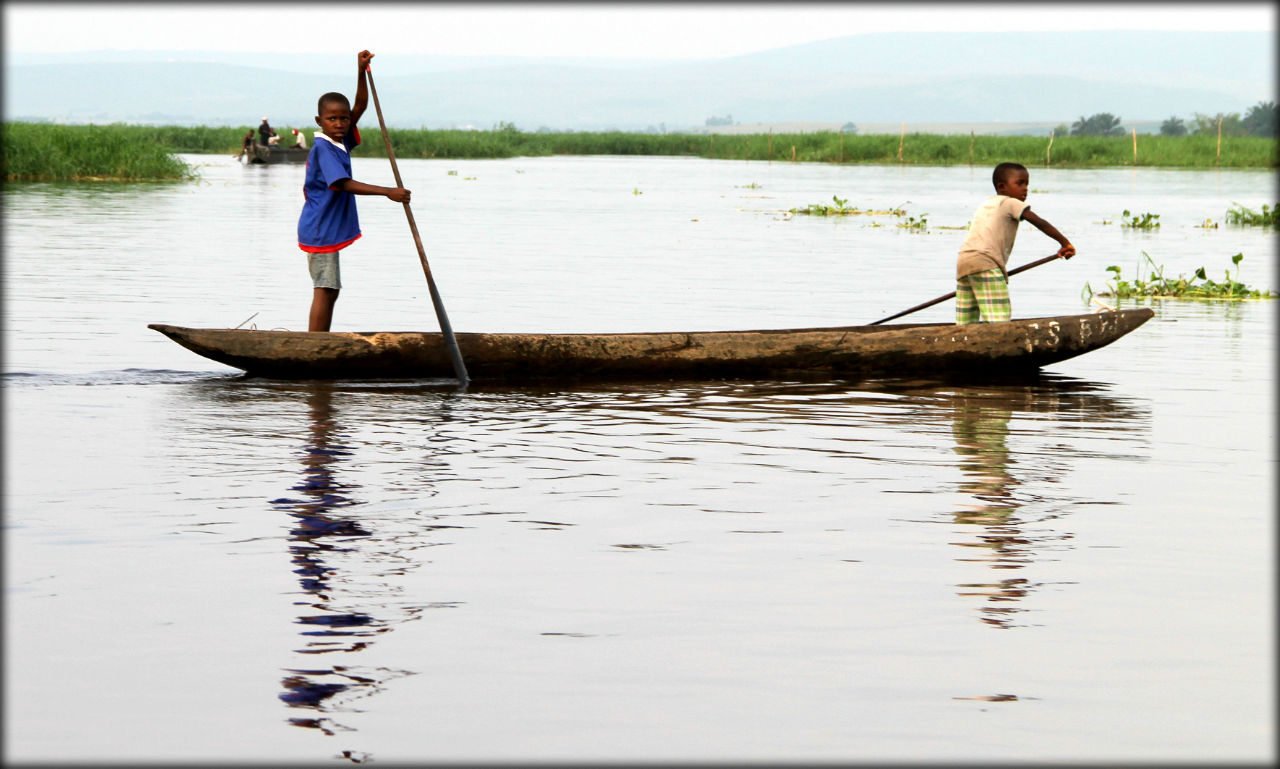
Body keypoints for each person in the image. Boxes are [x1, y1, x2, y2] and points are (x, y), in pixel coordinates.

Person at [297, 50, 410, 332]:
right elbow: (341, 183)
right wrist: (387, 191)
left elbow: (359, 105)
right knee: (325, 287)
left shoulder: (340, 141)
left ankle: (319, 341)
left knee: (331, 288)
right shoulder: (323, 148)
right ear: (319, 121)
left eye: (344, 119)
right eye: (332, 119)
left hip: (326, 226)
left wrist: (360, 71)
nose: (339, 124)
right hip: (320, 228)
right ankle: (315, 345)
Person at [955, 162, 1075, 324]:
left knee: (966, 322)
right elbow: (1039, 222)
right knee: (999, 320)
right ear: (1002, 187)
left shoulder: (986, 204)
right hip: (986, 263)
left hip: (964, 262)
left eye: (1026, 184)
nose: (1025, 188)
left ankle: (963, 342)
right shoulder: (1010, 202)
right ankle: (1000, 342)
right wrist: (1064, 242)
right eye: (1019, 183)